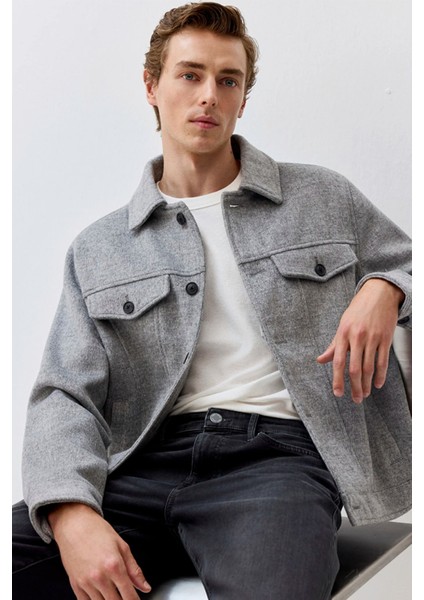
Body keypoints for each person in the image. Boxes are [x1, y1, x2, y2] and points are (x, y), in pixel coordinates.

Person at [12, 3, 412, 599]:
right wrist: (70, 514)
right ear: (152, 86)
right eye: (190, 74)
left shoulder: (322, 196)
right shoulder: (100, 248)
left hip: (277, 464)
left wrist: (387, 287)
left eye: (229, 80)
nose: (209, 96)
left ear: (243, 99)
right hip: (142, 466)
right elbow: (64, 394)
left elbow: (405, 261)